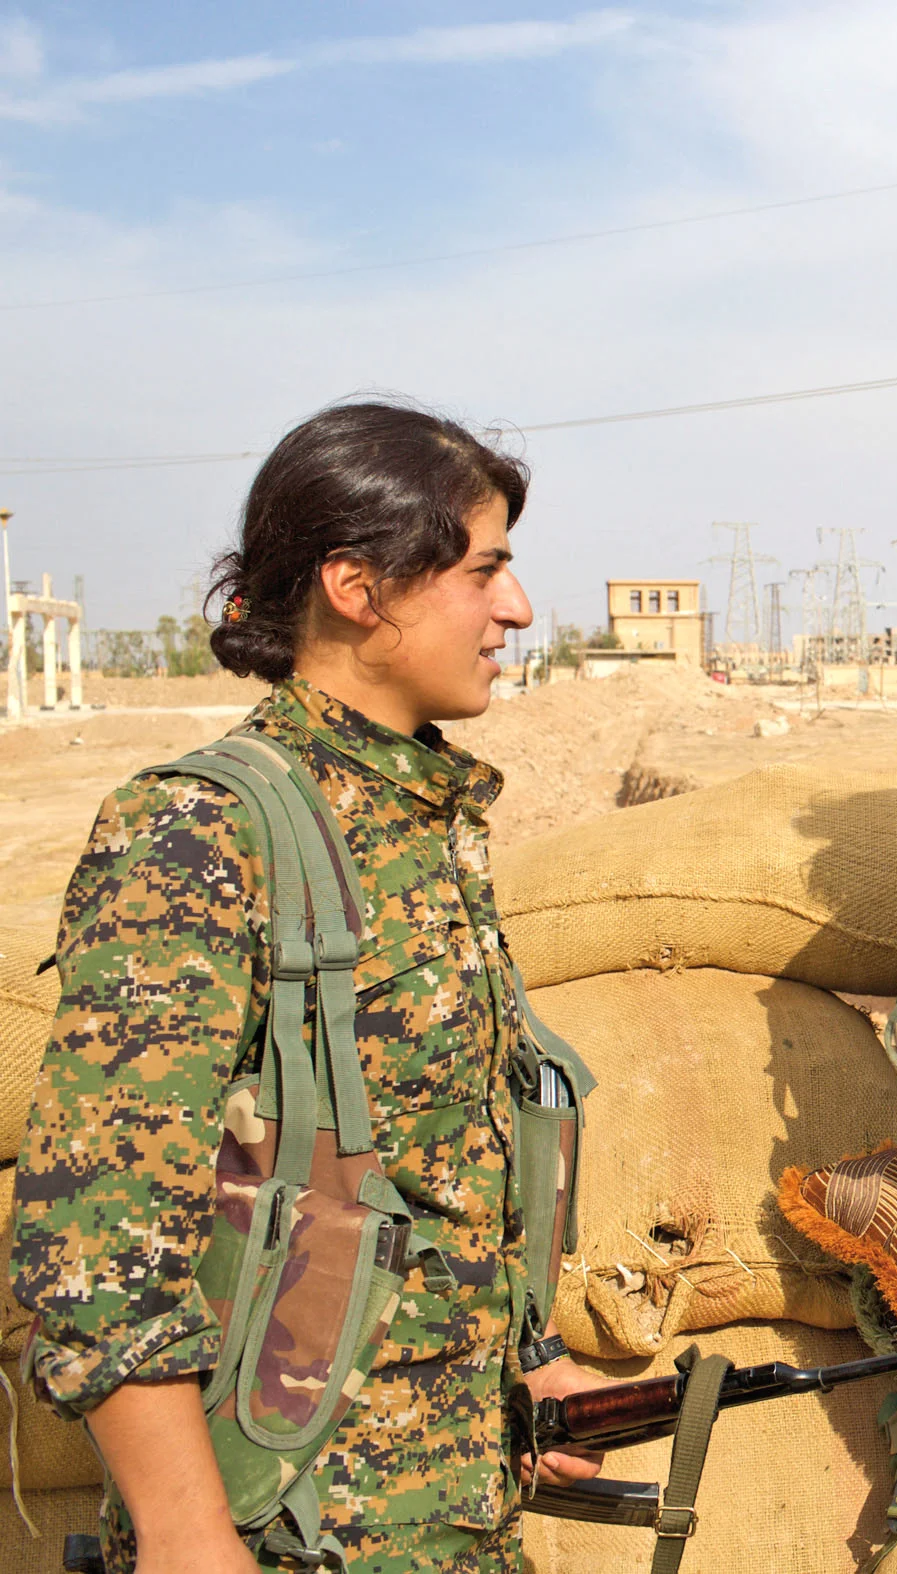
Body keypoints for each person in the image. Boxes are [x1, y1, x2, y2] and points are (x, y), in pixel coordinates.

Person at [11, 402, 608, 1574]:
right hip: (292, 1533)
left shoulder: (418, 817)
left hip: (449, 1520)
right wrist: (187, 1535)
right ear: (357, 586)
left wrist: (522, 1366)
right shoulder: (205, 830)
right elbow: (95, 1236)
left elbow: (420, 1179)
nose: (518, 609)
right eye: (483, 570)